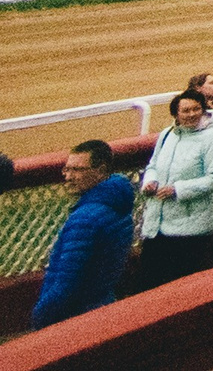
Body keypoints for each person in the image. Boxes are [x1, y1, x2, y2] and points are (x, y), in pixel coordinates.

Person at [132, 88, 213, 290]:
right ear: (176, 114)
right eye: (186, 110)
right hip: (158, 223)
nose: (192, 114)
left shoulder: (212, 137)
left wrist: (177, 189)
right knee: (150, 284)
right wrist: (150, 182)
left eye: (196, 109)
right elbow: (153, 165)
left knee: (182, 287)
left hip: (192, 228)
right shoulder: (167, 134)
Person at [31, 140, 135, 327]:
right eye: (67, 169)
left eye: (77, 170)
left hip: (74, 317)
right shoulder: (120, 204)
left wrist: (41, 319)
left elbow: (66, 283)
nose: (69, 177)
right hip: (103, 304)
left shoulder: (84, 219)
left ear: (101, 170)